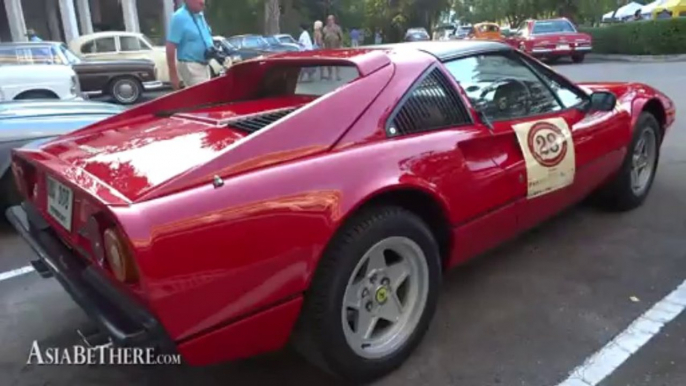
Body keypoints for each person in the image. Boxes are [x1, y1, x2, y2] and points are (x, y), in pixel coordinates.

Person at [166, 0, 214, 90]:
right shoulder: (179, 17)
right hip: (191, 66)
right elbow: (170, 46)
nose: (202, 2)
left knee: (205, 97)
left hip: (204, 65)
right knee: (202, 97)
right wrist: (173, 74)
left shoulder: (199, 15)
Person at [322, 15, 343, 80]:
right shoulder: (325, 28)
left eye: (331, 20)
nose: (329, 21)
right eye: (328, 20)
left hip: (336, 47)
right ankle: (330, 75)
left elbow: (341, 37)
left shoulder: (337, 28)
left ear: (333, 20)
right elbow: (322, 38)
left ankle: (338, 75)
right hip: (327, 47)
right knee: (329, 62)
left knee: (337, 62)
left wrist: (341, 45)